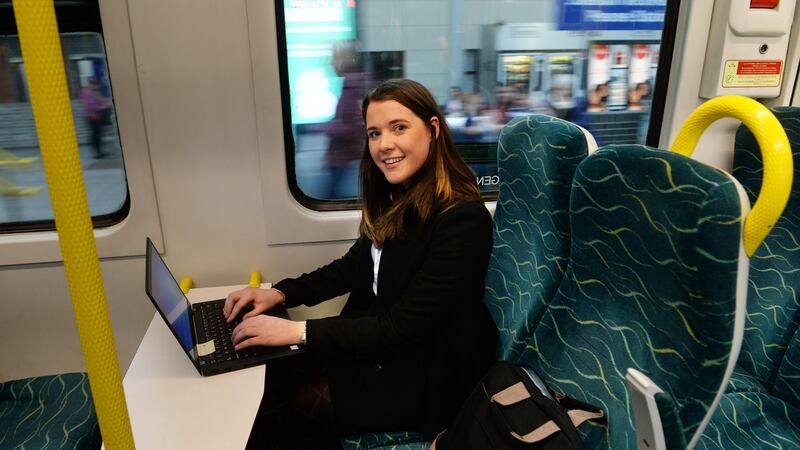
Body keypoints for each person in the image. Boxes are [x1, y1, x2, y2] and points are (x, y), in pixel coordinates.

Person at [223, 78, 498, 449]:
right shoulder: (399, 197)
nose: (384, 145)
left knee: (290, 406)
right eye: (374, 133)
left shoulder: (462, 219)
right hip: (390, 354)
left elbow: (401, 328)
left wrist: (298, 332)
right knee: (274, 369)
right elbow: (353, 267)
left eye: (399, 128)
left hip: (427, 379)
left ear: (432, 130)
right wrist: (280, 293)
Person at [322, 40, 370, 199]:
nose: (331, 62)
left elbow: (354, 127)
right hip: (344, 158)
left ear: (344, 60)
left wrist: (328, 127)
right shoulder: (351, 85)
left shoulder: (352, 88)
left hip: (344, 160)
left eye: (334, 58)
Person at [79, 77, 110, 159]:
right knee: (95, 134)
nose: (98, 87)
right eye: (96, 85)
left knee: (97, 134)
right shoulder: (88, 92)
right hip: (92, 116)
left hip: (95, 116)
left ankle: (99, 151)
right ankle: (97, 153)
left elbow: (100, 100)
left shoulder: (92, 91)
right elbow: (90, 106)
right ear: (92, 84)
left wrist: (102, 101)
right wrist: (102, 107)